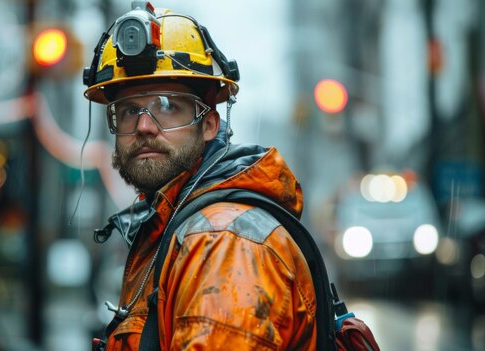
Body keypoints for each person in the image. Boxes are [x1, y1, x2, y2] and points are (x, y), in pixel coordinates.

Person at [83, 2, 316, 350]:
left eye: (166, 105)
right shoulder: (173, 224)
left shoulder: (222, 243)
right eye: (130, 110)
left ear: (209, 125)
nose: (144, 127)